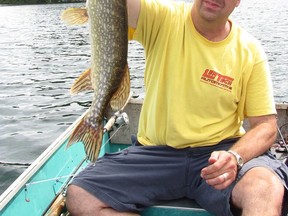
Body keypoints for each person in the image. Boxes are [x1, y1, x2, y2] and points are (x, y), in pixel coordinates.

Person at [66, 0, 288, 215]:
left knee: (266, 188)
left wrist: (235, 157)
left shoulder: (250, 51)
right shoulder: (162, 17)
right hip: (155, 155)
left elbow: (266, 126)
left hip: (217, 154)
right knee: (81, 196)